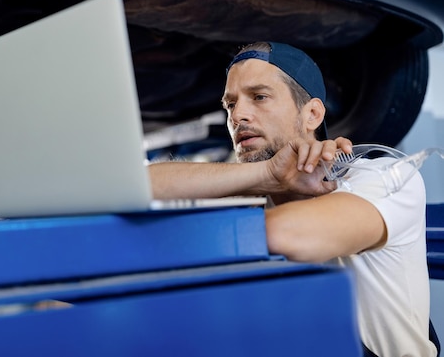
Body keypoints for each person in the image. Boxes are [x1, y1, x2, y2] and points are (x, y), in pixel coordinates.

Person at [148, 42, 438, 357]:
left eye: (259, 97)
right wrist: (266, 175)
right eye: (230, 104)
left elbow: (287, 236)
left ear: (312, 113)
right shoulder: (258, 187)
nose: (238, 116)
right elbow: (142, 185)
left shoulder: (383, 176)